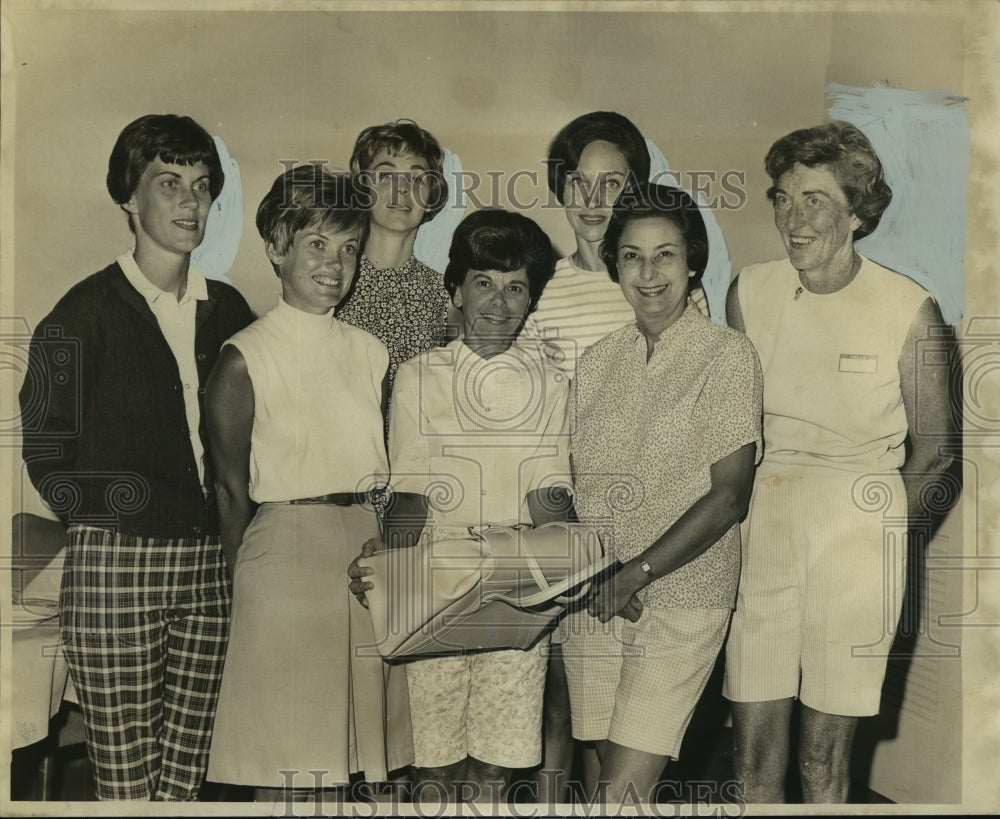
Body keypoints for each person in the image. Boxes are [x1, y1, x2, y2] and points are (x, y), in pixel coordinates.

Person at [17, 114, 253, 800]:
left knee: (184, 780)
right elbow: (46, 444)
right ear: (129, 196)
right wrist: (106, 520)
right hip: (115, 563)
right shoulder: (81, 312)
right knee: (124, 783)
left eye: (203, 187)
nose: (189, 202)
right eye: (169, 183)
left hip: (210, 564)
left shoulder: (230, 310)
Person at [722, 120, 954, 803]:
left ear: (857, 212)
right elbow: (736, 427)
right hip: (765, 529)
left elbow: (936, 452)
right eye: (783, 197)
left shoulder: (908, 308)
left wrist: (872, 535)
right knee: (751, 752)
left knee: (823, 758)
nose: (793, 217)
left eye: (815, 199)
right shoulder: (750, 292)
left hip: (856, 538)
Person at [349, 208, 572, 804]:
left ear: (531, 301)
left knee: (496, 767)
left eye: (516, 287)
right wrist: (386, 563)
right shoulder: (420, 376)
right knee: (434, 766)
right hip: (434, 577)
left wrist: (566, 564)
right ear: (456, 290)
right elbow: (412, 493)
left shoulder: (551, 382)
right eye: (483, 283)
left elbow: (549, 496)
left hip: (516, 578)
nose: (499, 304)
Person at [205, 166, 410, 800]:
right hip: (285, 552)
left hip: (367, 553)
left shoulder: (371, 350)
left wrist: (391, 543)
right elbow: (231, 492)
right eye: (317, 243)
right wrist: (252, 589)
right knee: (290, 765)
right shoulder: (245, 356)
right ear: (277, 247)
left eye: (349, 247)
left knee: (359, 764)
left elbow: (395, 467)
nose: (335, 263)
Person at [562, 182, 762, 806]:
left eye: (666, 255)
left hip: (679, 599)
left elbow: (729, 498)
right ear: (615, 264)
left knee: (620, 794)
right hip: (597, 602)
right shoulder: (596, 361)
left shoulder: (727, 356)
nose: (648, 274)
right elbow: (575, 489)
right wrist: (601, 578)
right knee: (604, 785)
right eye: (631, 256)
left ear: (693, 260)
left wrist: (636, 574)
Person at [336, 119, 459, 401]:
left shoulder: (446, 296)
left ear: (432, 194)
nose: (402, 189)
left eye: (417, 178)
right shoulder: (333, 278)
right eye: (386, 175)